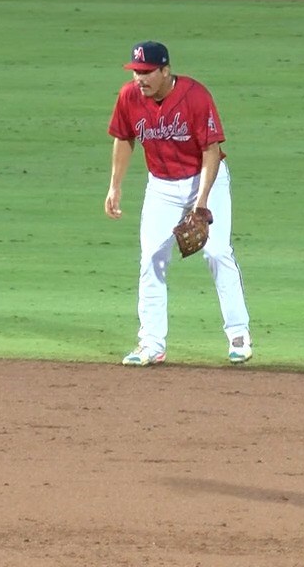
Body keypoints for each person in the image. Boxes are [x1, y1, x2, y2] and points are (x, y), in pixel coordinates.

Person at [104, 41, 253, 366]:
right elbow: (124, 138)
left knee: (217, 252)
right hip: (161, 187)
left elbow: (211, 150)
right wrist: (115, 186)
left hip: (205, 180)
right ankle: (151, 344)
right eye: (136, 72)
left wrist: (200, 204)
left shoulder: (195, 96)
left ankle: (238, 334)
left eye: (146, 73)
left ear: (165, 70)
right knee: (152, 260)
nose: (139, 79)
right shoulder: (129, 97)